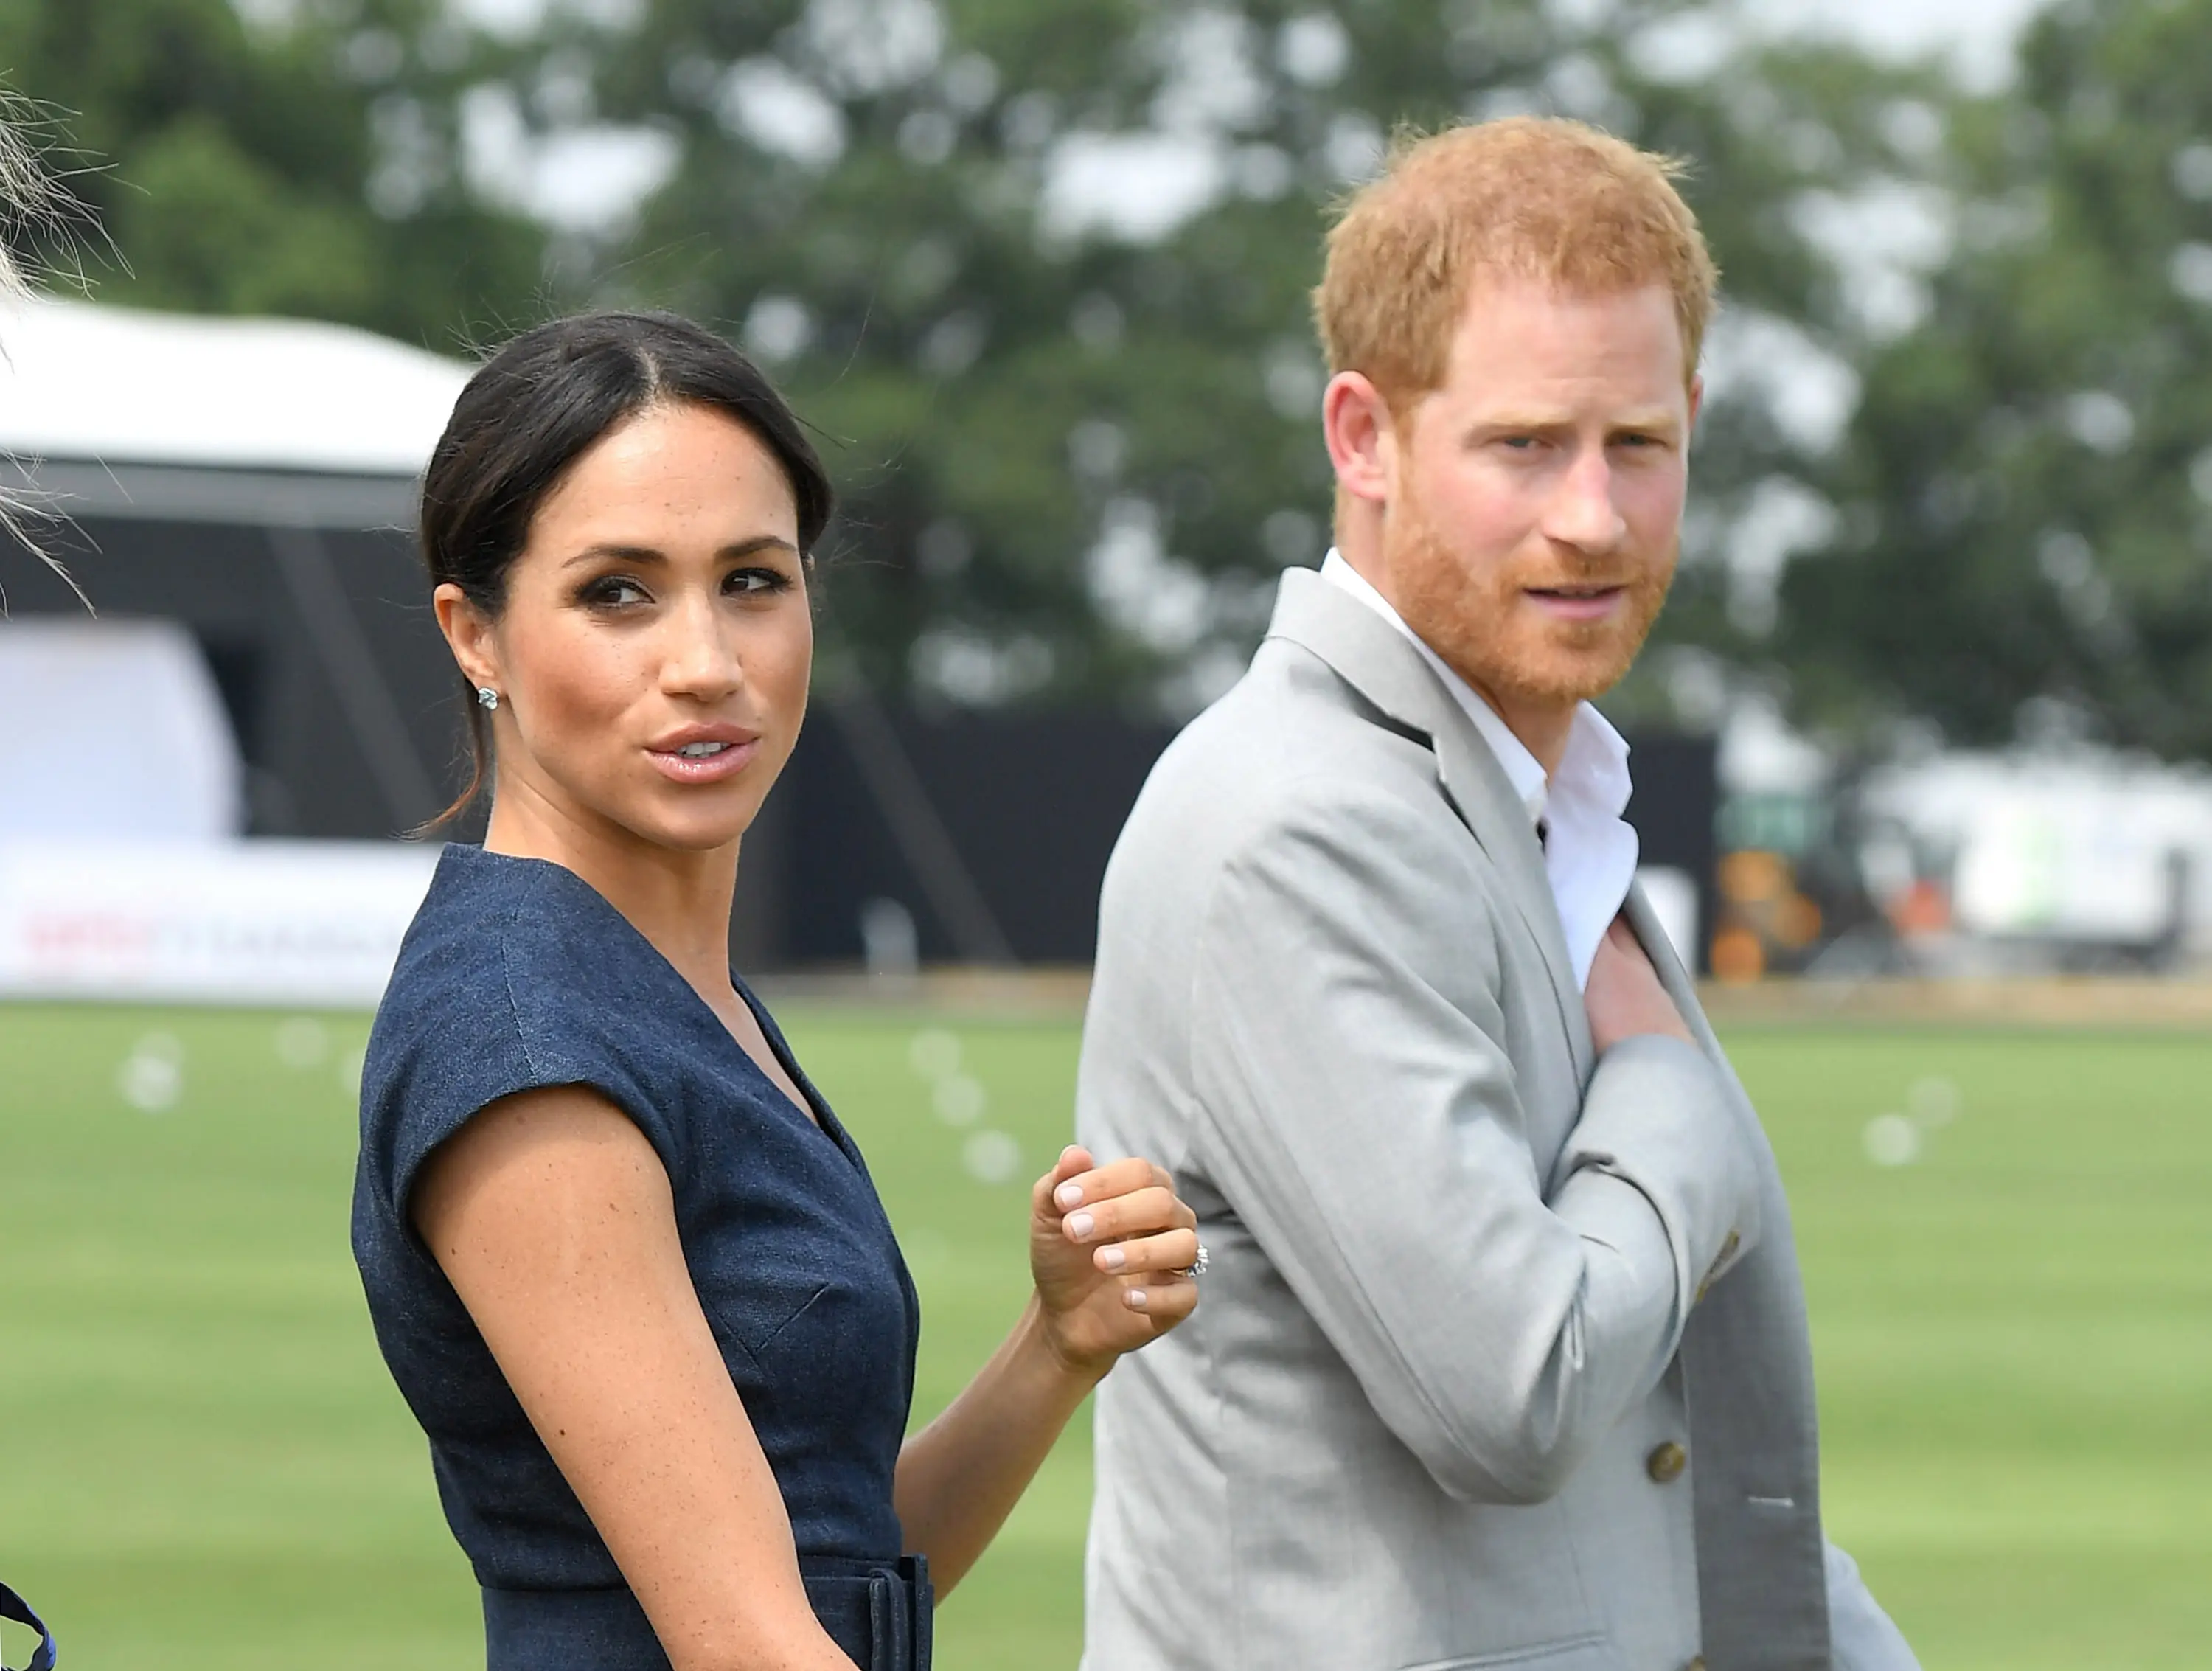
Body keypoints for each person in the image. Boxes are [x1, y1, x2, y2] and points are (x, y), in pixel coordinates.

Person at [1076, 117, 1919, 1670]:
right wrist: (1672, 1089)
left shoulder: (1533, 793)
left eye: (1640, 445)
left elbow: (1659, 1485)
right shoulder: (1299, 821)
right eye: (1525, 444)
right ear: (1363, 435)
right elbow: (1516, 1388)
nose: (1592, 515)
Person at [351, 311, 1203, 1671]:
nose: (705, 658)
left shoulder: (661, 995)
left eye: (752, 579)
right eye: (618, 592)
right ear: (478, 635)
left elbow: (831, 1567)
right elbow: (751, 1645)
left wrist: (1056, 1345)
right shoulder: (527, 1044)